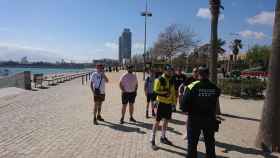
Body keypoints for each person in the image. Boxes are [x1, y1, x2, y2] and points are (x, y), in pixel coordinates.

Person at [180, 66, 221, 158]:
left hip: (194, 120)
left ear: (198, 74)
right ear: (208, 75)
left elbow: (183, 106)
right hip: (209, 119)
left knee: (192, 144)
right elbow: (217, 94)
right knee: (210, 143)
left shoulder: (192, 86)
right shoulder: (214, 87)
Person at [150, 64, 177, 150]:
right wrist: (164, 93)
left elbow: (172, 92)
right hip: (161, 103)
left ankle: (163, 137)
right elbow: (155, 92)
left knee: (166, 121)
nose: (170, 72)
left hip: (168, 104)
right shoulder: (159, 79)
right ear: (164, 70)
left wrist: (174, 103)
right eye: (168, 70)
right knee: (157, 122)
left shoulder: (172, 79)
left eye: (171, 70)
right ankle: (152, 139)